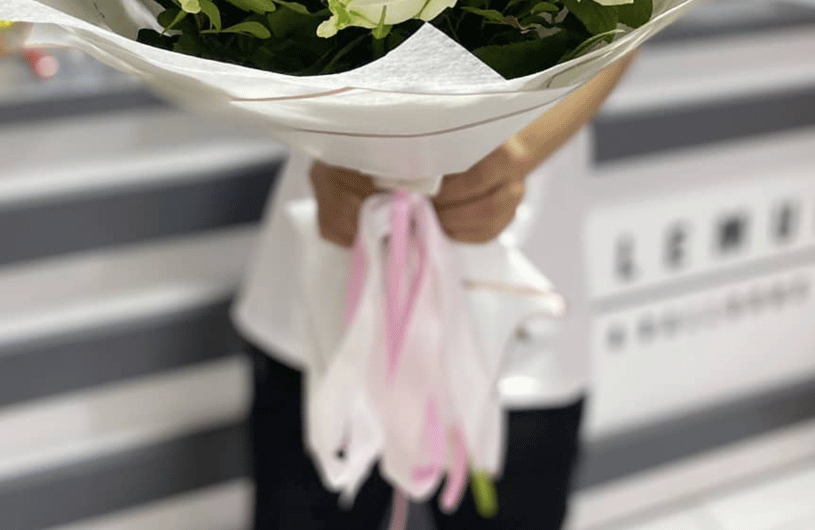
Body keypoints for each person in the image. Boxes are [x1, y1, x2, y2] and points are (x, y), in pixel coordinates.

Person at [234, 54, 635, 529]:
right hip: (331, 254)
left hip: (519, 275)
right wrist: (322, 139)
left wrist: (522, 150)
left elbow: (628, 33)